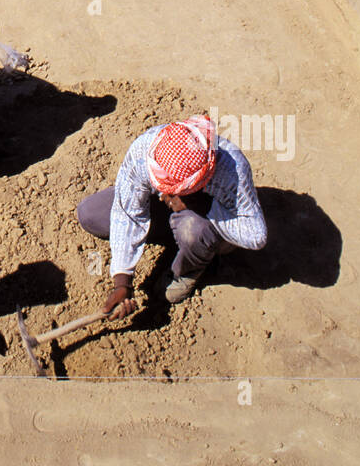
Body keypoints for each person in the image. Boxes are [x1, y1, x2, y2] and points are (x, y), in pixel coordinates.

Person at [77, 115, 267, 316]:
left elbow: (255, 235)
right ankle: (177, 236)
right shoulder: (145, 149)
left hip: (202, 221)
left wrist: (200, 205)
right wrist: (122, 281)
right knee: (91, 214)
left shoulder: (232, 168)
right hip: (167, 211)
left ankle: (191, 265)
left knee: (193, 230)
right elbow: (126, 213)